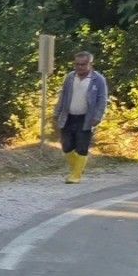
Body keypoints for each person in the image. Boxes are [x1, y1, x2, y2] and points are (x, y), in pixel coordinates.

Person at [53, 51, 108, 183]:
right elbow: (63, 96)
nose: (80, 67)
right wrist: (57, 112)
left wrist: (98, 116)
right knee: (66, 146)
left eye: (83, 64)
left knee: (82, 147)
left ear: (90, 64)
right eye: (77, 64)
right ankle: (77, 168)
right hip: (68, 116)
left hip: (86, 118)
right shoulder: (70, 77)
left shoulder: (98, 80)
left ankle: (76, 176)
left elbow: (102, 100)